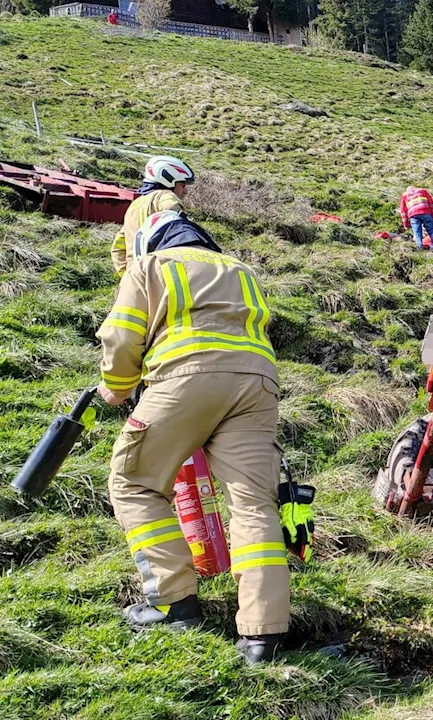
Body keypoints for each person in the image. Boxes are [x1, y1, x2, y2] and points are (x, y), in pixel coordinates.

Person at [97, 210, 291, 664]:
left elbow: (122, 335)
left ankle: (173, 601)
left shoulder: (151, 265)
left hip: (186, 380)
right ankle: (263, 634)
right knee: (252, 503)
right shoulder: (242, 270)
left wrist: (118, 386)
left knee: (133, 483)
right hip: (258, 384)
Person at [112, 156, 194, 275]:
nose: (185, 191)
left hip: (135, 274)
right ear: (169, 179)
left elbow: (118, 247)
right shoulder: (166, 196)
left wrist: (126, 275)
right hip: (159, 272)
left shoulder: (134, 205)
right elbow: (175, 220)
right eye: (183, 185)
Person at [399, 186, 433, 252]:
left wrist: (406, 224)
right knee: (431, 232)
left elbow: (403, 211)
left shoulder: (405, 195)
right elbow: (431, 204)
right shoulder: (423, 191)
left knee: (417, 233)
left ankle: (420, 251)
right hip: (426, 212)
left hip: (413, 214)